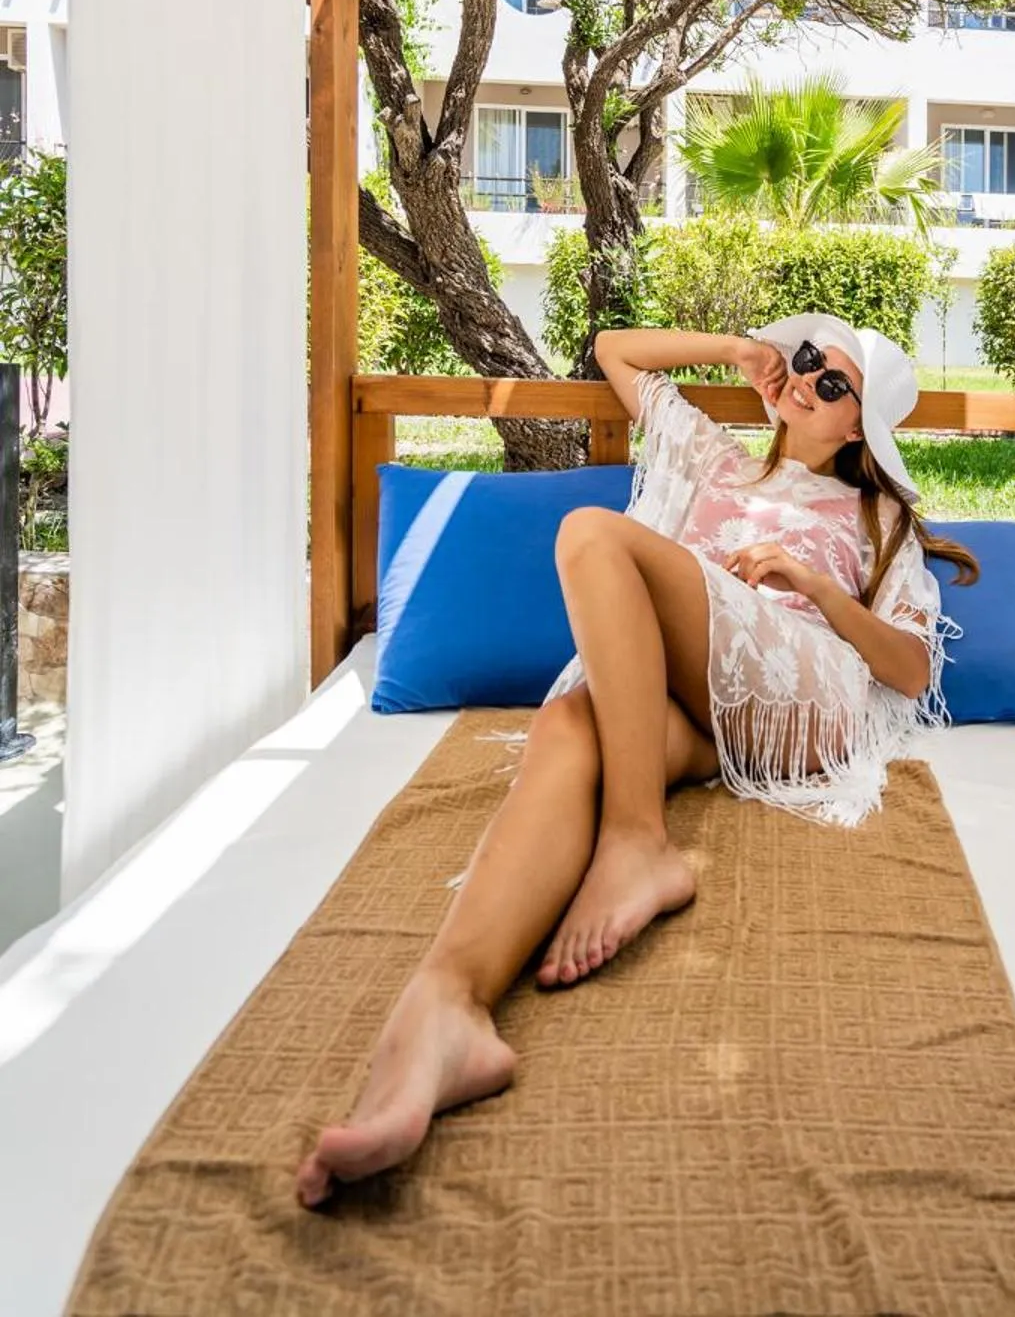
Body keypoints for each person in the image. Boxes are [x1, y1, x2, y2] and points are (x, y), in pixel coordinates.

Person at [297, 317, 979, 1207]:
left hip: (801, 693)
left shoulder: (872, 514)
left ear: (859, 428)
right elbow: (615, 350)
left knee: (592, 533)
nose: (809, 381)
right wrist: (738, 352)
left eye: (835, 384)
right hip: (702, 702)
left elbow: (910, 666)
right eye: (807, 360)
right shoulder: (714, 461)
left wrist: (811, 585)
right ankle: (448, 1010)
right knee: (569, 728)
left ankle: (636, 840)